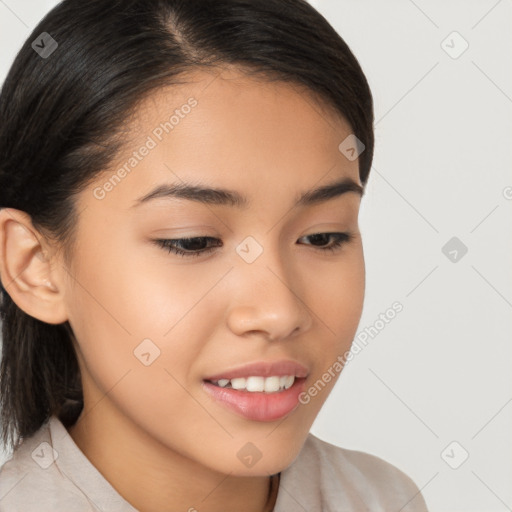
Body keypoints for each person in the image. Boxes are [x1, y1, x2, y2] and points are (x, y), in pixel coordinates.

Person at [0, 0, 429, 510]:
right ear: (36, 268)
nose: (279, 312)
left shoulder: (381, 499)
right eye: (193, 242)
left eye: (322, 237)